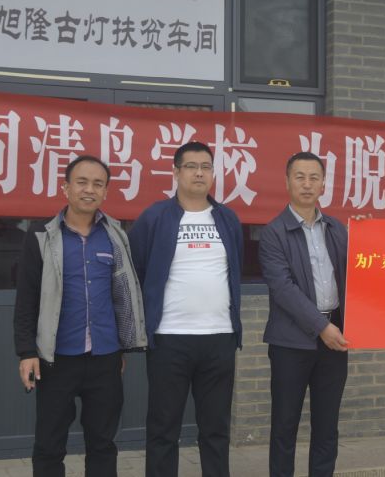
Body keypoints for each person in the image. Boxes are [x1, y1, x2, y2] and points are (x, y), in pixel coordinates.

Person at [14, 155, 146, 477]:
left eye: (98, 184)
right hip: (56, 359)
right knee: (49, 445)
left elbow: (122, 294)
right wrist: (27, 352)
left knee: (103, 444)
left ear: (106, 192)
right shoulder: (42, 236)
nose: (90, 190)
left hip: (105, 358)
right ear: (66, 188)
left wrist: (122, 346)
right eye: (82, 182)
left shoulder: (115, 235)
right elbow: (27, 298)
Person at [128, 141, 244, 477]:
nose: (199, 173)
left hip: (219, 337)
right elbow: (137, 270)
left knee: (216, 429)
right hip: (169, 338)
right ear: (176, 172)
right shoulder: (155, 217)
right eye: (191, 166)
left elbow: (234, 267)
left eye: (206, 167)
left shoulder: (227, 218)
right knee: (163, 428)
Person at [258, 151, 350, 477]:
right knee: (285, 426)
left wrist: (368, 234)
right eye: (300, 177)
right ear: (287, 182)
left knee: (327, 426)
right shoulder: (273, 233)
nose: (307, 184)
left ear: (324, 184)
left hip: (335, 340)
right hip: (290, 343)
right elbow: (283, 289)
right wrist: (322, 327)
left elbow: (361, 271)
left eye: (314, 178)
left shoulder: (337, 229)